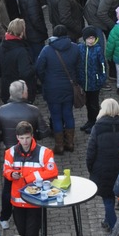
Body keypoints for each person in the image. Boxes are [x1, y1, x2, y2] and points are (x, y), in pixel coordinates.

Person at [3, 120, 57, 236]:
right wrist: (11, 174)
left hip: (34, 201)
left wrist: (30, 178)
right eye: (22, 138)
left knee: (32, 233)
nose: (25, 141)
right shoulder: (10, 153)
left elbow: (52, 171)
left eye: (27, 138)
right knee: (23, 232)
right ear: (17, 138)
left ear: (32, 136)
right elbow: (6, 170)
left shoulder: (44, 152)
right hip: (18, 201)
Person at [0, 81, 41, 229]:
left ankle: (5, 217)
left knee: (8, 186)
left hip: (11, 153)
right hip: (31, 153)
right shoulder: (34, 110)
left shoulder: (1, 110)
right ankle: (34, 214)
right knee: (33, 181)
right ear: (24, 93)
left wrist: (3, 140)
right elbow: (44, 131)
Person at [35, 24, 81, 154]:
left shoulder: (47, 50)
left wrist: (45, 81)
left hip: (52, 88)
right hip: (69, 87)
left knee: (56, 116)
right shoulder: (75, 48)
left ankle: (59, 145)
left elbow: (39, 68)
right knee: (68, 113)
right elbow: (78, 67)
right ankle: (70, 143)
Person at [85, 97, 119, 231]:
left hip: (102, 169)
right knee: (115, 196)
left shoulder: (97, 128)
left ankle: (115, 228)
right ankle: (107, 220)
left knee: (108, 199)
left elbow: (91, 151)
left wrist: (90, 167)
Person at [78, 25, 107, 131]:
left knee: (94, 104)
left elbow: (103, 65)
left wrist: (101, 78)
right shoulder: (80, 48)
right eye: (89, 38)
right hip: (84, 82)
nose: (91, 40)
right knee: (88, 103)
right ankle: (90, 121)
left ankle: (95, 123)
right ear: (84, 39)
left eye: (93, 38)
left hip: (94, 83)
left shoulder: (98, 50)